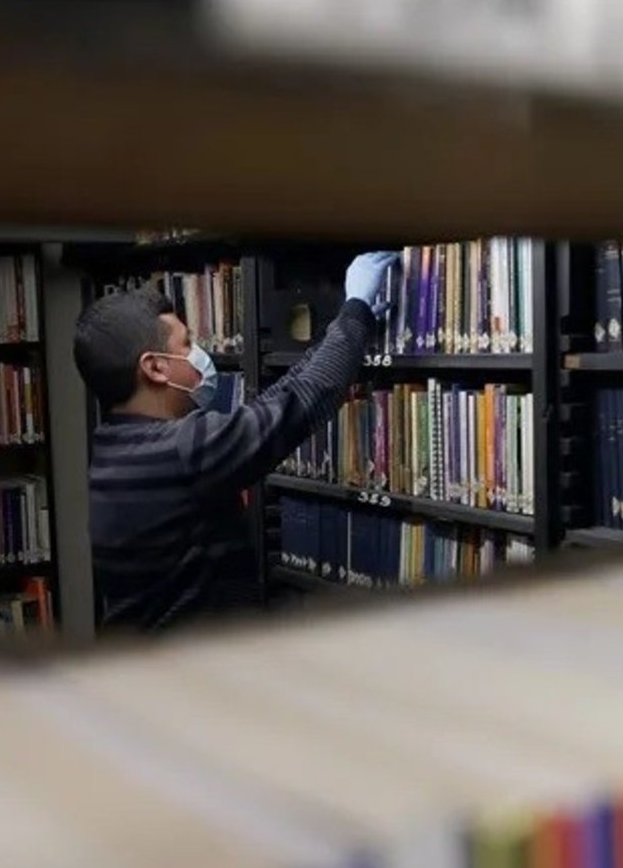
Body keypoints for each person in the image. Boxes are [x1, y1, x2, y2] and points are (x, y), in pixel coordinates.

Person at [73, 251, 398, 633]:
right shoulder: (181, 450)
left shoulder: (114, 446)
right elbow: (302, 401)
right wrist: (356, 308)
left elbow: (278, 400)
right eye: (187, 342)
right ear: (155, 367)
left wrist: (341, 329)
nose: (200, 353)